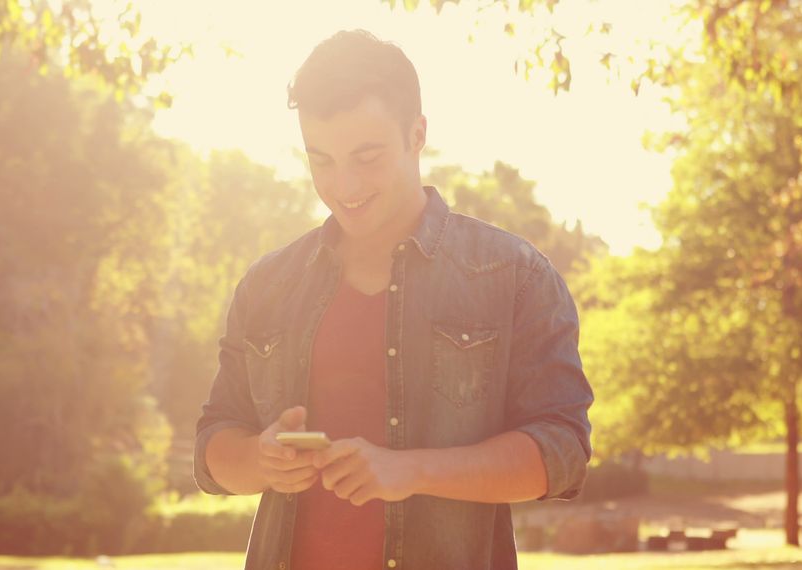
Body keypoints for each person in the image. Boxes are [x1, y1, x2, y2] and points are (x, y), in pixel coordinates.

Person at [193, 29, 593, 570]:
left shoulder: (514, 275)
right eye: (322, 160)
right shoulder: (268, 285)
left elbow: (562, 452)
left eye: (367, 156)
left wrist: (412, 470)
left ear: (417, 133)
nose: (344, 184)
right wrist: (262, 460)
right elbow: (215, 450)